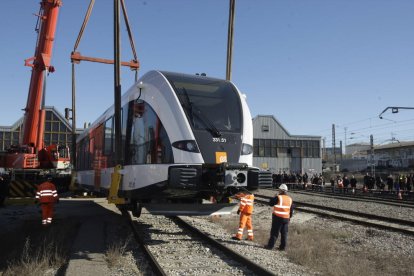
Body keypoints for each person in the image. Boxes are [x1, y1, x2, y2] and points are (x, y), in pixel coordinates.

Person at [265, 184, 294, 251]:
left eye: (279, 189)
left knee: (274, 232)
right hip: (286, 219)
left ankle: (270, 246)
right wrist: (289, 217)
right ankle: (282, 248)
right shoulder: (290, 199)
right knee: (284, 234)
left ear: (281, 190)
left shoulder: (278, 197)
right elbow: (291, 210)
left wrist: (274, 197)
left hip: (278, 218)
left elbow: (270, 204)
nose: (278, 190)